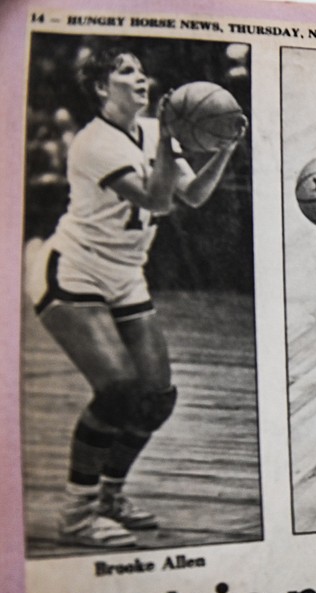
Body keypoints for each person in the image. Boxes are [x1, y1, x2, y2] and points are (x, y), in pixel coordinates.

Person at [27, 48, 245, 547]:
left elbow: (192, 196)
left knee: (156, 399)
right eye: (127, 72)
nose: (141, 79)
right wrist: (169, 139)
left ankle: (110, 496)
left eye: (143, 71)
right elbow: (156, 199)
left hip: (125, 275)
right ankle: (76, 515)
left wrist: (225, 148)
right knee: (119, 391)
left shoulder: (150, 132)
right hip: (73, 272)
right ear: (103, 88)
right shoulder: (94, 143)